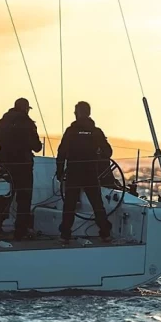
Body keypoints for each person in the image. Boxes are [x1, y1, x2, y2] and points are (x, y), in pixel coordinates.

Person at [56, 101, 113, 242]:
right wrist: (98, 157)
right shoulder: (96, 132)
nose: (75, 114)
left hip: (73, 172)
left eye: (76, 111)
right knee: (97, 204)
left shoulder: (71, 131)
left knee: (69, 204)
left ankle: (65, 235)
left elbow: (61, 152)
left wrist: (59, 171)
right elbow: (108, 152)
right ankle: (105, 232)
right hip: (90, 172)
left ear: (79, 113)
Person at [0, 98, 43, 239]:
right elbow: (37, 146)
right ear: (26, 108)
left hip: (6, 165)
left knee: (5, 195)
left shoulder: (3, 122)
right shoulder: (28, 124)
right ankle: (21, 231)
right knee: (24, 199)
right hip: (23, 166)